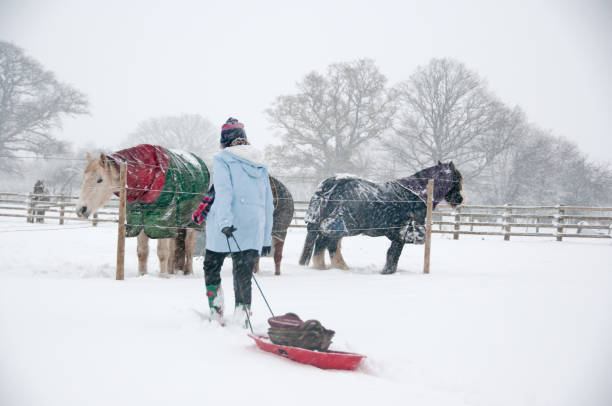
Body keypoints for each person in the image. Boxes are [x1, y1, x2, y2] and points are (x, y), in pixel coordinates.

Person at [196, 117, 273, 327]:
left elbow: (224, 192)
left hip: (226, 226)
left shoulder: (222, 159)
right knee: (243, 273)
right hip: (252, 227)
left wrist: (224, 222)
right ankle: (242, 314)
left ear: (225, 140)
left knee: (212, 265)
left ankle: (216, 309)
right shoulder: (260, 163)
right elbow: (268, 203)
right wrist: (265, 238)